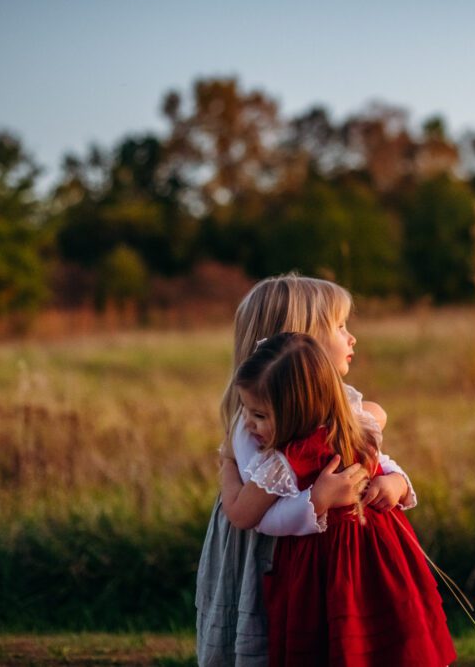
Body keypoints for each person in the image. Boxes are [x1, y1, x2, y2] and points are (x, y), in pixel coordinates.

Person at [196, 275, 416, 667]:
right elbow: (251, 509)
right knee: (266, 636)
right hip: (268, 551)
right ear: (299, 344)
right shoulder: (254, 426)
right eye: (339, 327)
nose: (351, 338)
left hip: (332, 559)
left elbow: (372, 449)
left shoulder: (338, 407)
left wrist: (395, 480)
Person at [225, 332, 456, 667]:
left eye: (260, 416)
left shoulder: (332, 440)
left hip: (369, 560)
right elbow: (249, 516)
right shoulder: (300, 454)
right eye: (247, 412)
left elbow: (241, 514)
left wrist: (396, 484)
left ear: (297, 411)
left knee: (386, 641)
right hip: (335, 567)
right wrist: (315, 499)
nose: (248, 425)